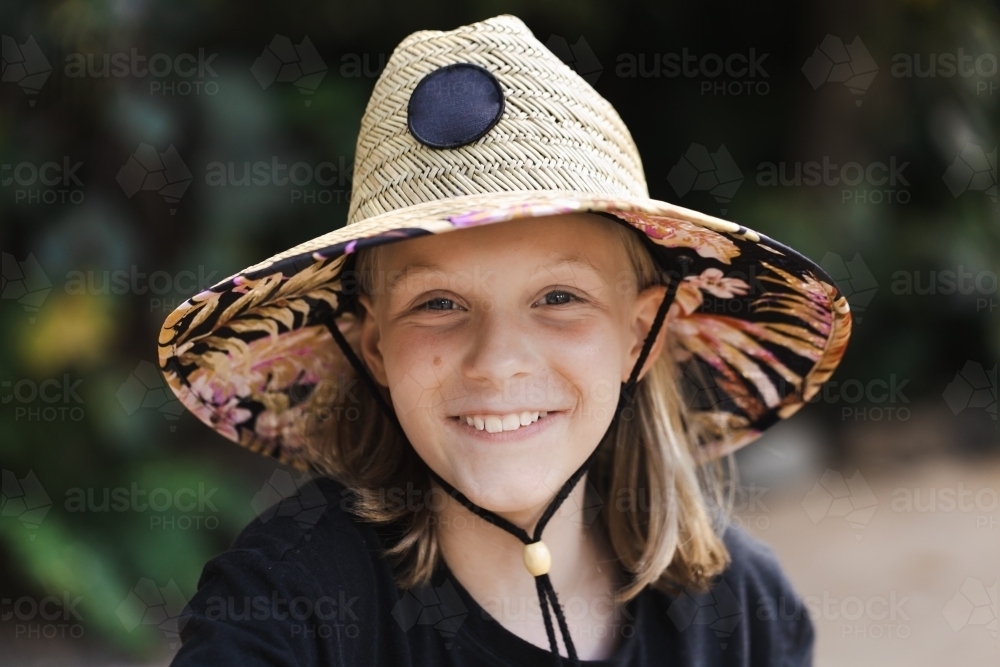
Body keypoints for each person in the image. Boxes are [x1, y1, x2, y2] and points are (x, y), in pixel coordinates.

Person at [159, 14, 851, 667]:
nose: (497, 362)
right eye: (438, 303)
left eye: (558, 297)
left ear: (639, 334)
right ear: (374, 348)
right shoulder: (283, 613)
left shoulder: (743, 613)